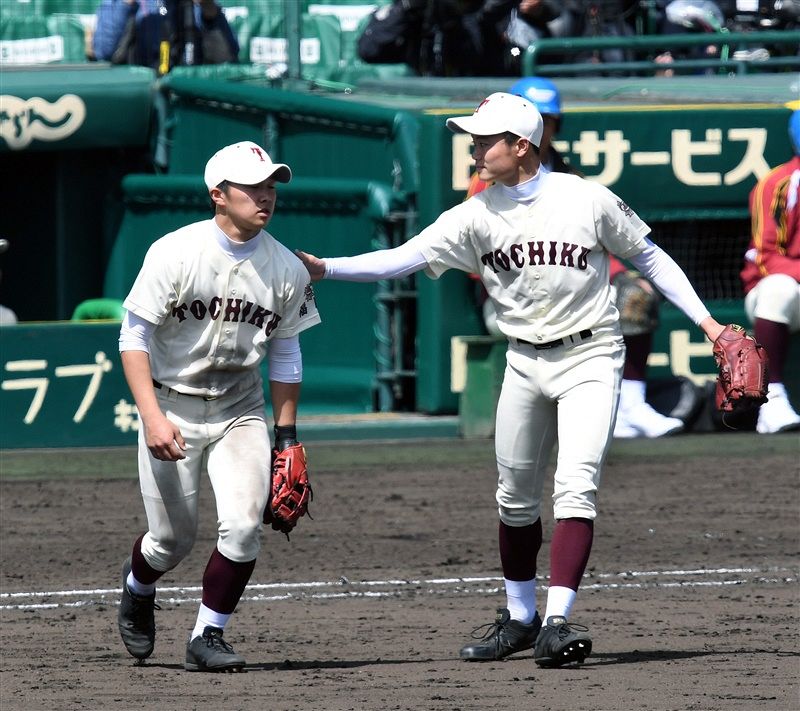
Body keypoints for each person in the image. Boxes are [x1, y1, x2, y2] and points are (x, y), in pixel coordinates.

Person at [295, 92, 725, 667]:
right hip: (523, 360)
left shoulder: (585, 198)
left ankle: (557, 619)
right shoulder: (476, 213)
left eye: (484, 139)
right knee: (514, 497)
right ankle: (521, 616)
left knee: (575, 485)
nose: (474, 147)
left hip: (591, 356)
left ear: (522, 145)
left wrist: (709, 324)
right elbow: (405, 256)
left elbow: (650, 259)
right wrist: (327, 268)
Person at [116, 141, 321, 672]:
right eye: (252, 187)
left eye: (271, 185)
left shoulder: (286, 268)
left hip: (240, 408)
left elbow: (286, 350)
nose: (266, 196)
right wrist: (152, 417)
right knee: (170, 541)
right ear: (218, 195)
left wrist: (287, 435)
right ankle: (138, 586)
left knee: (244, 524)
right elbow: (133, 336)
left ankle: (208, 634)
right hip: (170, 404)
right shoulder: (174, 252)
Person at [470, 77, 684, 438]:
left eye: (548, 121)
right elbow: (481, 254)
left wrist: (621, 274)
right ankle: (588, 417)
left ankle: (628, 404)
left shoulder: (569, 178)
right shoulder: (489, 180)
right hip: (509, 298)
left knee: (634, 296)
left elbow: (593, 242)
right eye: (536, 117)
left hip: (572, 281)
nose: (542, 128)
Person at [741, 109, 800, 434]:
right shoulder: (779, 182)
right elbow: (765, 257)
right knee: (780, 288)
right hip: (776, 292)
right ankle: (771, 400)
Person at [93, 0, 239, 71]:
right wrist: (125, 4)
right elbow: (104, 52)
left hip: (189, 98)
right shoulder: (124, 4)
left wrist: (209, 9)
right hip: (142, 97)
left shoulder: (195, 5)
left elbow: (227, 59)